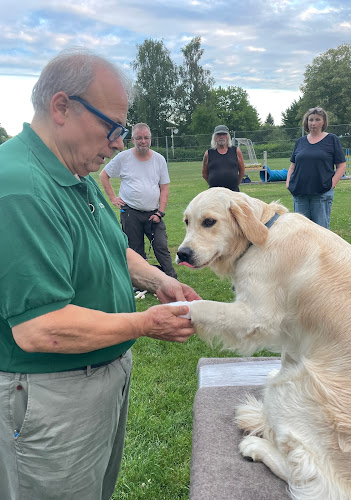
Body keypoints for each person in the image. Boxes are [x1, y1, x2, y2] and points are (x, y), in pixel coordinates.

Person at [0, 48, 200, 500]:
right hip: (51, 396)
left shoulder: (74, 171)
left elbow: (114, 248)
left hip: (96, 377)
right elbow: (41, 328)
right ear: (62, 107)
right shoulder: (20, 189)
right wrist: (146, 323)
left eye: (123, 131)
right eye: (113, 127)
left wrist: (159, 280)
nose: (118, 142)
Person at [99, 123, 177, 279]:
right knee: (135, 249)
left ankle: (171, 278)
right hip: (130, 212)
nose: (143, 141)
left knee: (161, 246)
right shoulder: (123, 158)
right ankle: (140, 281)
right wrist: (113, 198)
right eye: (139, 138)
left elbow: (164, 188)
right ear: (133, 139)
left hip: (153, 213)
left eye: (146, 138)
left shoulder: (159, 160)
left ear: (150, 139)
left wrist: (160, 212)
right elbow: (103, 175)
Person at [286, 107, 346, 229]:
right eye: (311, 120)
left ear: (323, 122)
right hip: (300, 193)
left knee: (321, 232)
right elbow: (292, 166)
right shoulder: (300, 142)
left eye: (317, 119)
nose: (313, 123)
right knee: (301, 231)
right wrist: (288, 183)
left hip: (321, 193)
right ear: (306, 122)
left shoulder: (332, 139)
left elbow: (341, 166)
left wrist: (331, 184)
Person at [202, 124, 245, 192]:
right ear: (215, 137)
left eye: (224, 134)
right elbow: (204, 174)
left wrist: (236, 183)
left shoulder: (236, 151)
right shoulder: (208, 153)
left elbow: (242, 170)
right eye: (219, 134)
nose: (221, 137)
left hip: (233, 191)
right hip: (214, 193)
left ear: (227, 137)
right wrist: (212, 184)